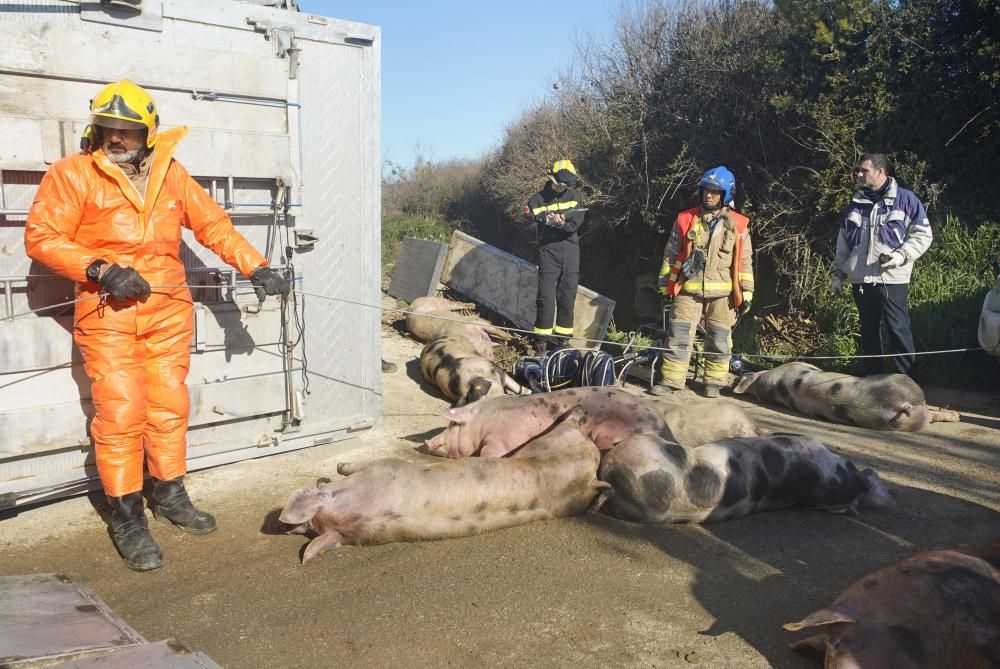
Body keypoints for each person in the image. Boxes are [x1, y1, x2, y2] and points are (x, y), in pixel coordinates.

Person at [24, 80, 289, 571]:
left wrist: (256, 266)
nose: (117, 138)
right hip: (109, 313)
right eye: (109, 128)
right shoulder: (73, 174)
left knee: (170, 406)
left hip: (169, 310)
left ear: (149, 132)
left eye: (127, 130)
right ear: (96, 128)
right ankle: (127, 515)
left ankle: (169, 494)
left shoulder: (171, 174)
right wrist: (102, 269)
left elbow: (212, 225)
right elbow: (42, 237)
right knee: (122, 413)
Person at [653, 166, 754, 398]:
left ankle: (714, 382)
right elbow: (670, 254)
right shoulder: (685, 219)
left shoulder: (738, 225)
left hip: (723, 294)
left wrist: (747, 292)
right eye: (706, 190)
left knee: (719, 338)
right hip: (688, 288)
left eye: (715, 192)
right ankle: (671, 380)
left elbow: (745, 261)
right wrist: (663, 284)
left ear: (726, 195)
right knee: (678, 334)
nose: (708, 195)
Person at [832, 153, 932, 378]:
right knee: (868, 333)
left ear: (880, 171)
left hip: (892, 280)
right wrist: (838, 276)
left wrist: (900, 257)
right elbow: (843, 245)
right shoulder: (854, 204)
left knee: (899, 332)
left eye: (864, 171)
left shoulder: (906, 200)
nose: (858, 174)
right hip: (861, 281)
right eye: (858, 170)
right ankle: (874, 383)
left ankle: (909, 387)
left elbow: (923, 236)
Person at [524, 159, 586, 345]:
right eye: (560, 185)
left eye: (567, 186)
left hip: (570, 249)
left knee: (568, 295)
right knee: (546, 296)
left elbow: (575, 224)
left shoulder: (575, 196)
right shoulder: (536, 200)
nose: (563, 189)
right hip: (548, 250)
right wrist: (542, 219)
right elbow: (528, 222)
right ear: (552, 179)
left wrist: (562, 224)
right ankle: (541, 341)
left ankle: (563, 340)